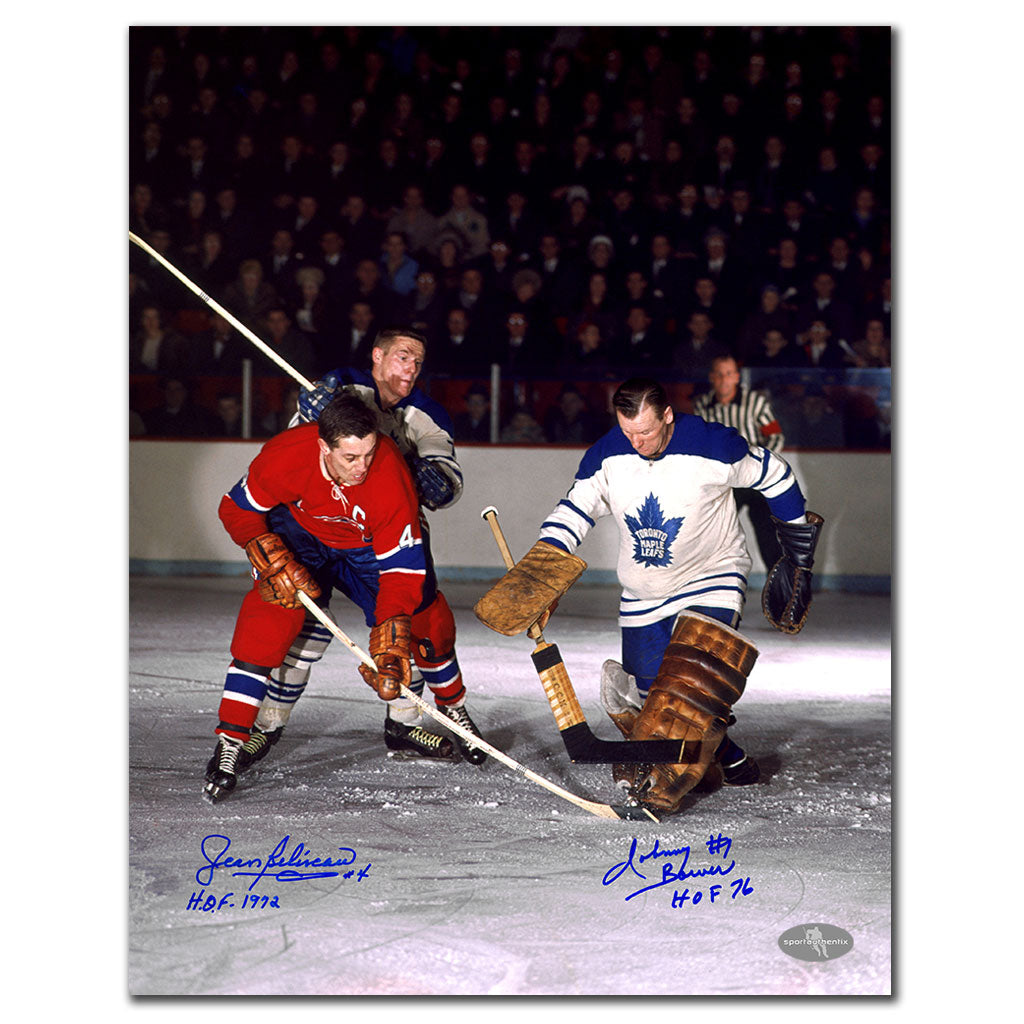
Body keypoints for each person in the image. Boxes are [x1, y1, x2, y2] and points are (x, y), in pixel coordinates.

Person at [530, 377, 821, 815]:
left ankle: (663, 786)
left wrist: (797, 546)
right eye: (628, 431)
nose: (637, 441)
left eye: (645, 431)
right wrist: (542, 567)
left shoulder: (711, 445)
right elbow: (576, 509)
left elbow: (774, 474)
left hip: (712, 577)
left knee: (686, 693)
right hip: (643, 593)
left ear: (667, 415)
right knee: (650, 704)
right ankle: (727, 756)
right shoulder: (608, 453)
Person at [203, 391, 486, 802]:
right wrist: (261, 545)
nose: (362, 467)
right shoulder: (286, 455)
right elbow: (235, 509)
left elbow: (402, 575)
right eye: (350, 458)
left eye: (369, 454)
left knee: (425, 619)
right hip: (301, 534)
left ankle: (449, 709)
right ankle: (234, 739)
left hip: (366, 548)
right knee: (267, 620)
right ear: (323, 446)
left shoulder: (388, 475)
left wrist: (390, 640)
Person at [692, 355, 786, 568]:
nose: (724, 379)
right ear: (711, 378)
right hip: (724, 482)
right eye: (719, 374)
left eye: (728, 374)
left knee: (768, 536)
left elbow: (776, 436)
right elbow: (700, 443)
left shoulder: (755, 403)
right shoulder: (703, 406)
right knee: (713, 532)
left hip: (755, 482)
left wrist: (756, 464)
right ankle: (711, 582)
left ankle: (782, 588)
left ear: (736, 377)